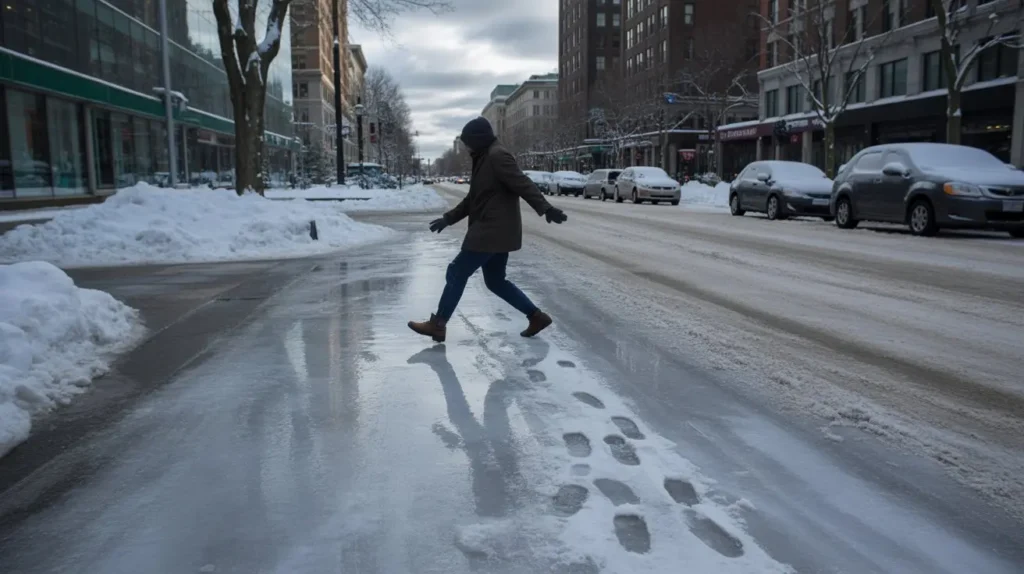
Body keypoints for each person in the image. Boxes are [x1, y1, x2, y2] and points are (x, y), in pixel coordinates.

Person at [408, 117, 567, 343]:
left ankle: (438, 324)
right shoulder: (484, 157)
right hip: (495, 231)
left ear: (478, 139)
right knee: (495, 281)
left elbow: (522, 183)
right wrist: (448, 219)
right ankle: (536, 316)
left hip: (491, 231)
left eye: (468, 142)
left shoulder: (496, 156)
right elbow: (474, 198)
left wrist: (546, 208)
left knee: (457, 272)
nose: (466, 148)